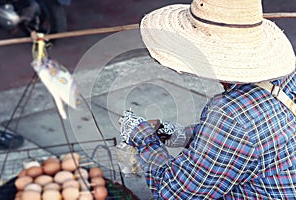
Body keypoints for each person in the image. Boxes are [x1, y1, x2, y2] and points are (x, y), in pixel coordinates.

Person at [119, 0, 296, 199]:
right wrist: (174, 133)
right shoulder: (285, 75)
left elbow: (173, 193)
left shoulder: (230, 115)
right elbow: (250, 139)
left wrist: (142, 136)